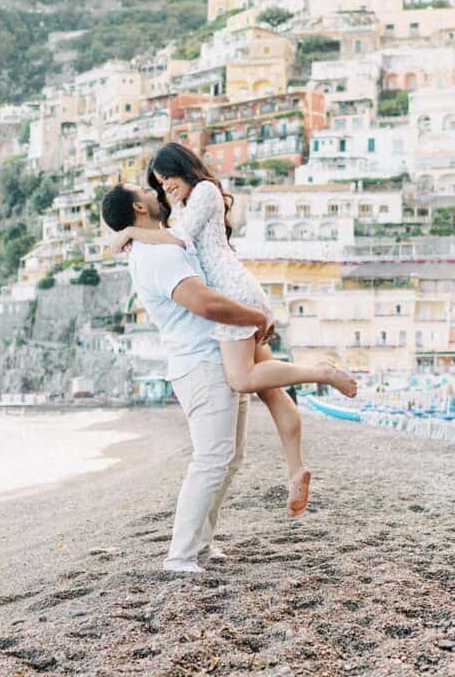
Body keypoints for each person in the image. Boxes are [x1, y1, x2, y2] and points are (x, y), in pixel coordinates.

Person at [111, 143, 358, 516]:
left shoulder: (206, 192)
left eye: (168, 178)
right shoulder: (187, 203)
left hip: (231, 294)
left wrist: (131, 230)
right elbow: (176, 232)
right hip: (238, 289)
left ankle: (320, 372)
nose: (165, 187)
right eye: (159, 184)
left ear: (183, 167)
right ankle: (296, 469)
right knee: (273, 394)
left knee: (242, 378)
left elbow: (181, 239)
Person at [101, 182, 271, 573]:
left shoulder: (161, 244)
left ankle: (201, 544)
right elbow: (204, 303)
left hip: (217, 356)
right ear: (138, 208)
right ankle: (179, 555)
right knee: (212, 459)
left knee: (227, 459)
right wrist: (257, 316)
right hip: (201, 364)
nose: (154, 192)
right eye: (144, 191)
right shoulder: (157, 256)